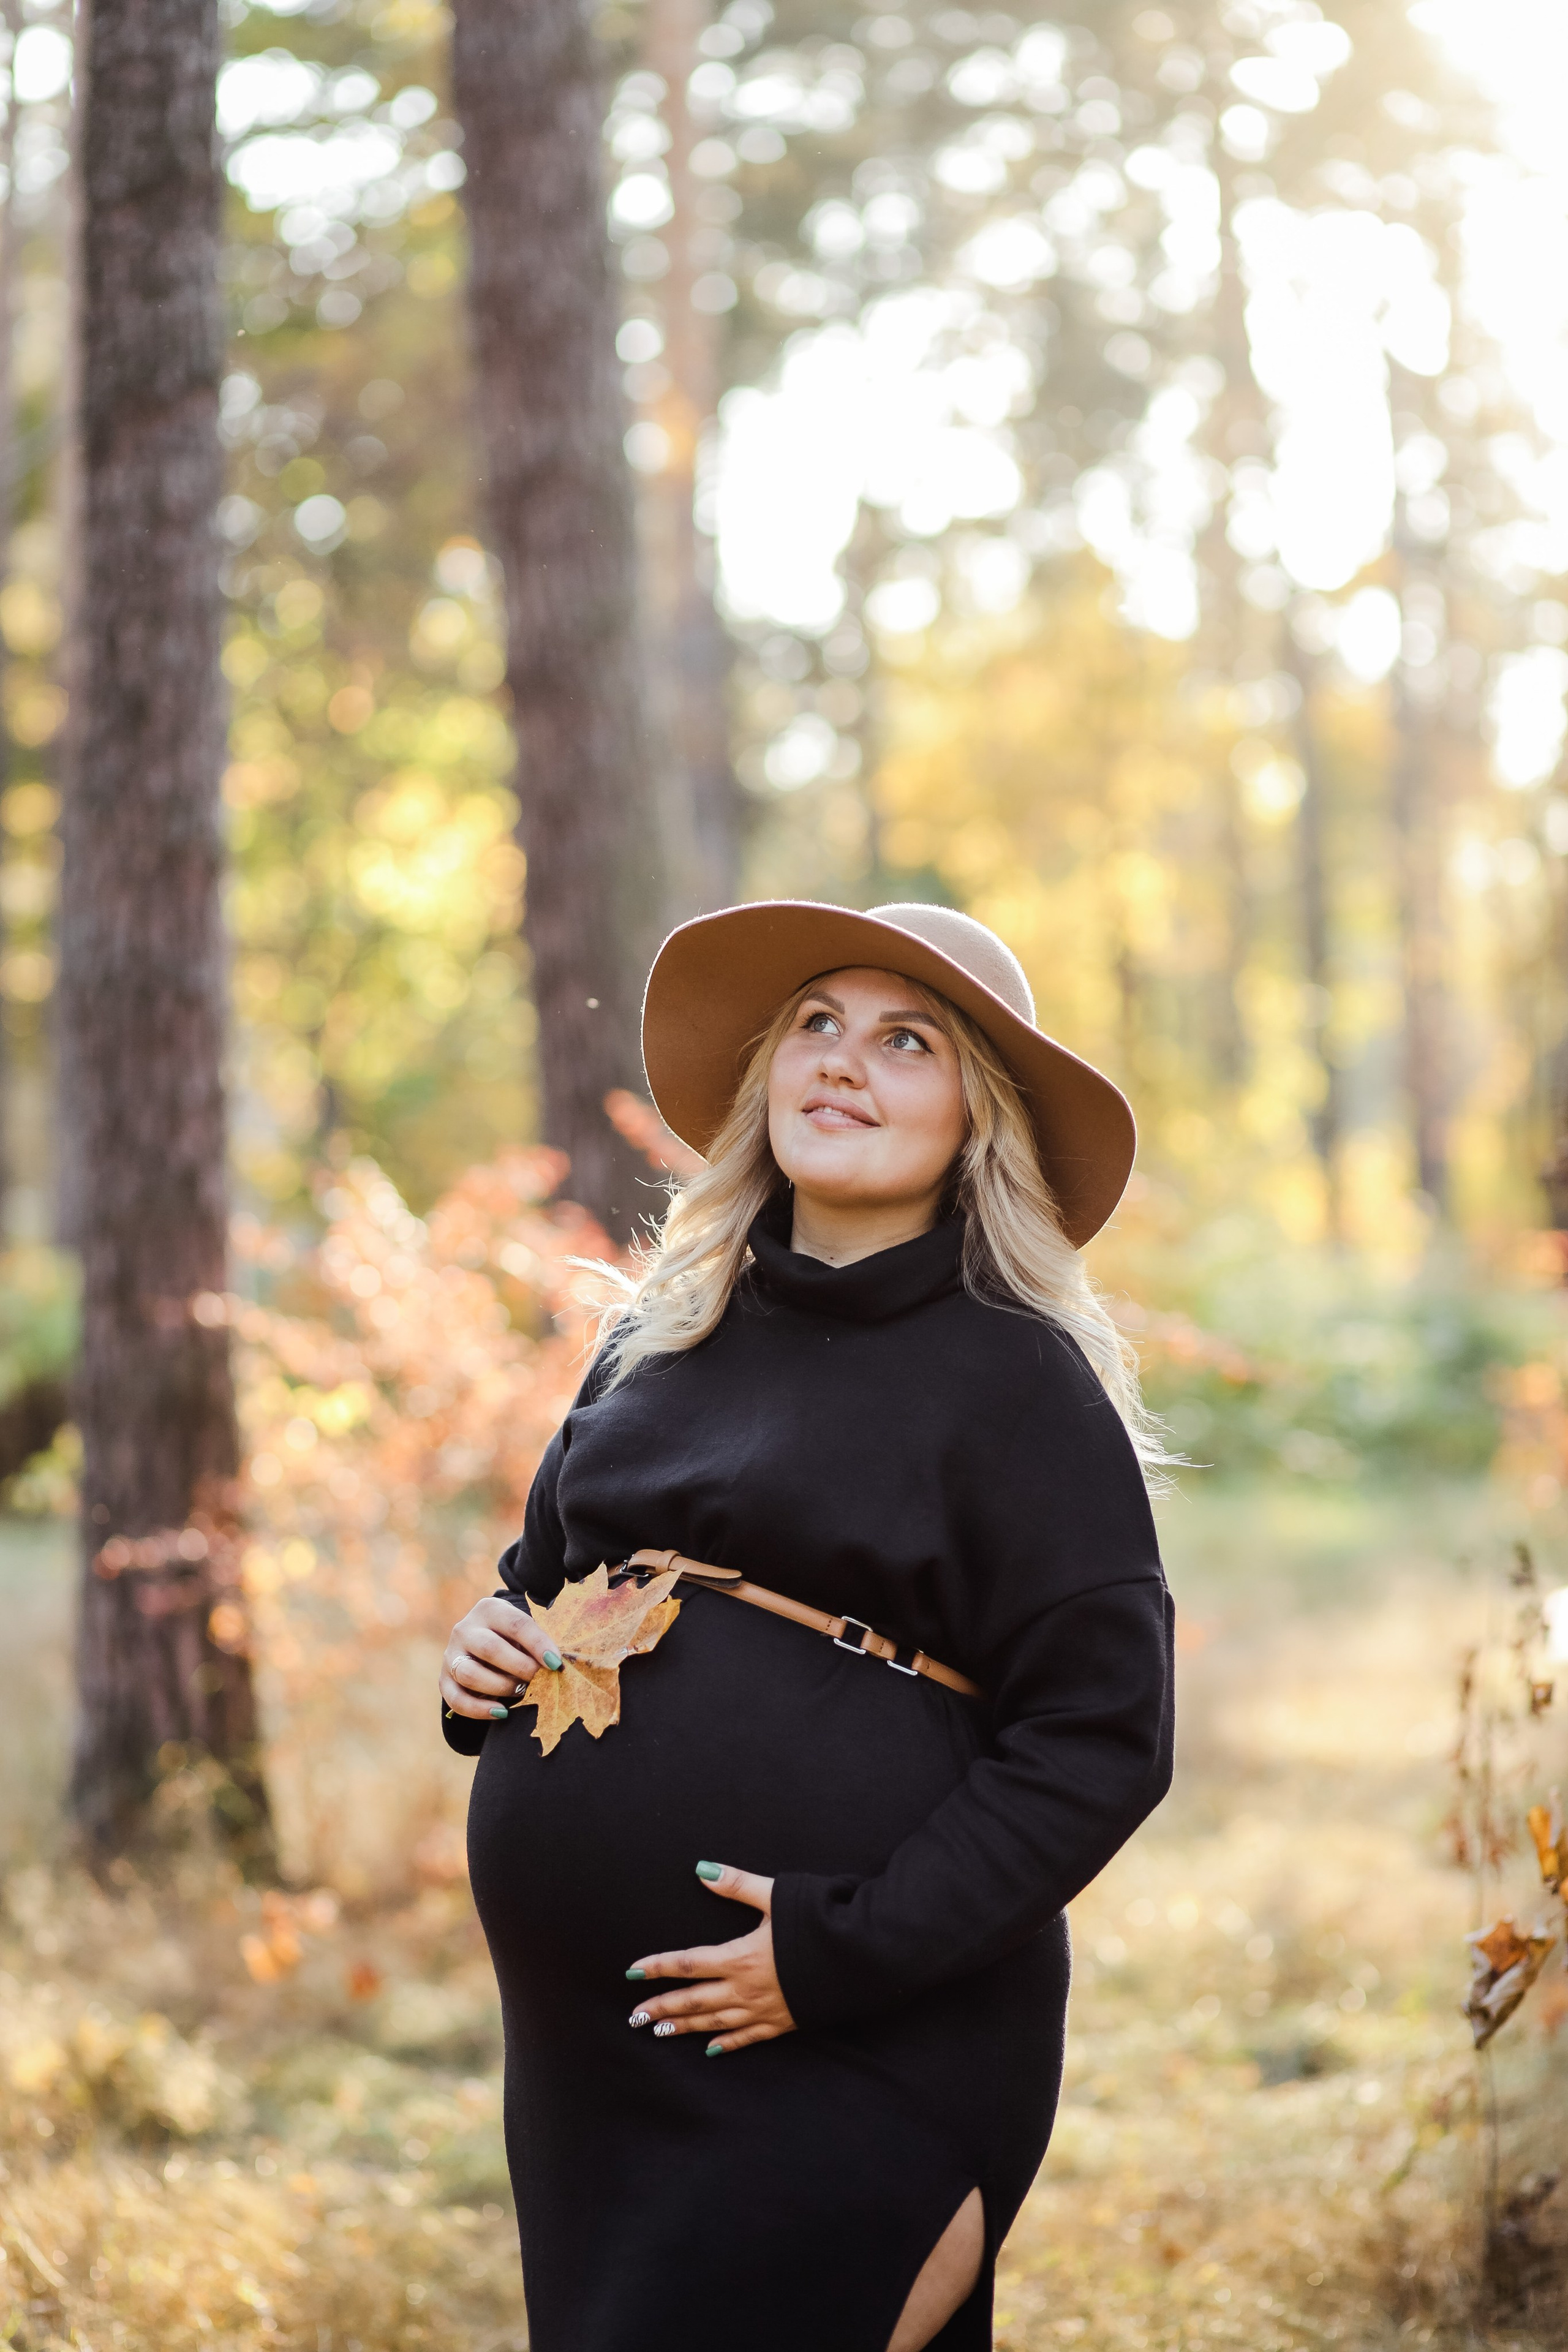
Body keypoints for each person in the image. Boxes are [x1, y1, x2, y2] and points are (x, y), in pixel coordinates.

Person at [440, 900, 1175, 2352]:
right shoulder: (655, 1336)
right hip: (591, 2066)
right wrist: (484, 1653)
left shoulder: (1016, 1380)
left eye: (906, 1042)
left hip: (860, 2032)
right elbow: (536, 1585)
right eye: (816, 1025)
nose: (841, 1060)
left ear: (975, 1119)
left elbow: (1101, 1741)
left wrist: (837, 1954)